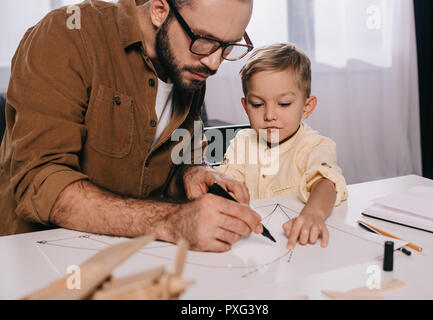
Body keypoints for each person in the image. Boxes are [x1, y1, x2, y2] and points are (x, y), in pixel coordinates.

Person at [0, 0, 265, 253]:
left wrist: (190, 175)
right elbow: (41, 182)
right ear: (160, 10)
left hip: (130, 252)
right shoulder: (68, 35)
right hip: (37, 256)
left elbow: (171, 165)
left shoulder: (190, 64)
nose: (214, 63)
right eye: (205, 40)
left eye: (228, 46)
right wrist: (171, 221)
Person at [215, 43, 348, 249]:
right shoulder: (242, 142)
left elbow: (326, 183)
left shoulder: (315, 145)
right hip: (252, 245)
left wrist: (313, 214)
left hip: (297, 243)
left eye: (284, 104)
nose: (269, 115)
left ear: (307, 107)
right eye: (258, 104)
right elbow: (227, 185)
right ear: (246, 106)